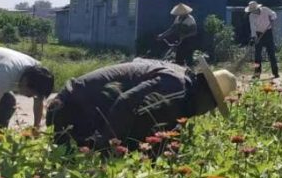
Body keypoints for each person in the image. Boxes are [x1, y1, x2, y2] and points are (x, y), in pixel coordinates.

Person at [48, 58, 237, 150]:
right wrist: (107, 145)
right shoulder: (176, 86)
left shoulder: (182, 83)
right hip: (74, 108)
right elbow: (125, 103)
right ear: (206, 97)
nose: (205, 112)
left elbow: (153, 121)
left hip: (82, 105)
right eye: (211, 107)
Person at [246, 0, 279, 79]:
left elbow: (274, 14)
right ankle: (257, 73)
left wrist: (272, 18)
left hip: (268, 33)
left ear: (258, 8)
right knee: (257, 56)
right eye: (252, 11)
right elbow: (252, 27)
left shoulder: (265, 9)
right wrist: (254, 37)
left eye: (254, 10)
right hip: (258, 34)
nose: (254, 12)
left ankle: (275, 72)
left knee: (271, 53)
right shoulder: (251, 16)